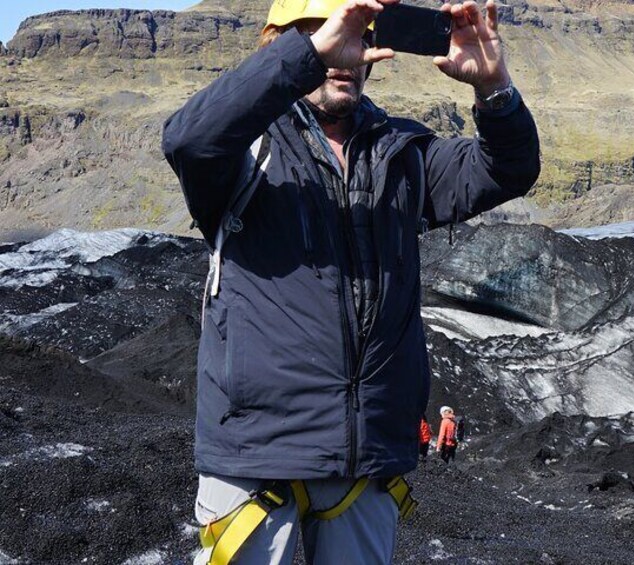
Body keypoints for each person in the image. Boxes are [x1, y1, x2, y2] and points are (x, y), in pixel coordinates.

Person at [161, 0, 540, 561]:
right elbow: (189, 140)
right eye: (318, 32)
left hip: (368, 465)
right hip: (255, 460)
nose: (343, 51)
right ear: (280, 47)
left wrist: (495, 90)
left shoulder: (403, 152)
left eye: (354, 34)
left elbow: (508, 169)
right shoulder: (245, 151)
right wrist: (309, 57)